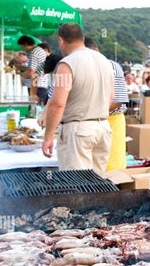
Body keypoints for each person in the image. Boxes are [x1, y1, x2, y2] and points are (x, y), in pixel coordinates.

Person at [42, 24, 113, 176]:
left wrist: (48, 136)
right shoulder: (105, 61)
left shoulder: (67, 63)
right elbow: (111, 97)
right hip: (103, 128)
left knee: (77, 187)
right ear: (82, 38)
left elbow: (57, 104)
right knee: (98, 186)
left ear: (61, 41)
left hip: (78, 130)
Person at [84, 37, 129, 172]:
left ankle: (113, 191)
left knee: (112, 163)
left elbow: (117, 100)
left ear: (96, 50)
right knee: (91, 163)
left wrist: (93, 112)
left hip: (112, 119)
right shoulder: (82, 66)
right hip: (89, 121)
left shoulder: (113, 66)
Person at [17, 35, 48, 103]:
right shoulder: (40, 50)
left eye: (22, 46)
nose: (22, 49)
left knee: (35, 109)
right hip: (42, 85)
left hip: (37, 86)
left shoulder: (34, 53)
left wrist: (19, 76)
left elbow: (31, 72)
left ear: (25, 44)